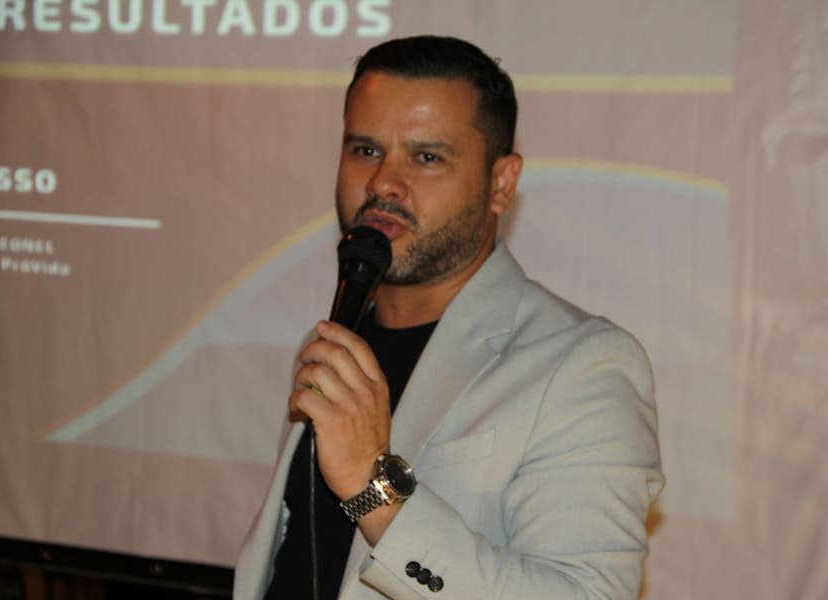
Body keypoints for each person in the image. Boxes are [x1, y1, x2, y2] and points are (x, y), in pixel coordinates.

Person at [234, 35, 663, 600]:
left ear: (501, 183)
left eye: (427, 157)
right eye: (365, 150)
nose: (383, 183)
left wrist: (372, 487)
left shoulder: (582, 366)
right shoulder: (338, 342)